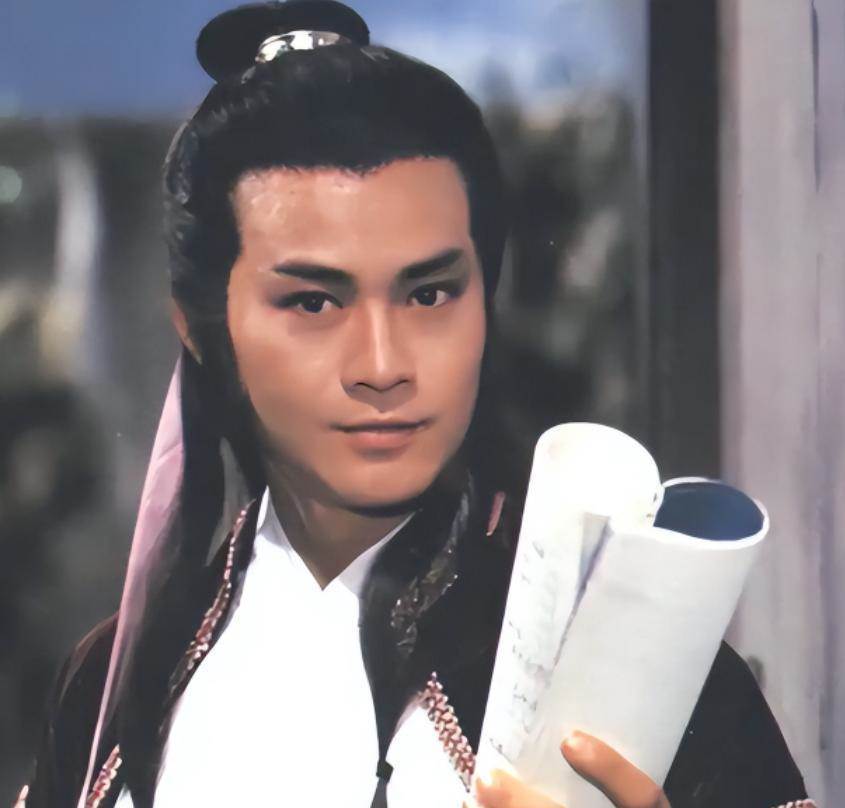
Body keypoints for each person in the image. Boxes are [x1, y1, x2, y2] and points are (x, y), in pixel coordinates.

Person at [20, 2, 812, 807]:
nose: (382, 366)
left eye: (429, 293)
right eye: (313, 303)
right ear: (199, 328)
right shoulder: (108, 692)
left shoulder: (635, 669)